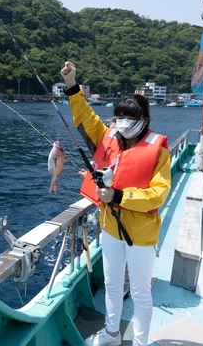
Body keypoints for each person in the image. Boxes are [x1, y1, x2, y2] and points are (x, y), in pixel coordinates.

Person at [60, 61, 171, 346]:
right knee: (111, 286)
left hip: (140, 235)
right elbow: (86, 117)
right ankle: (111, 334)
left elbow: (158, 193)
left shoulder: (158, 150)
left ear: (145, 119)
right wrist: (72, 84)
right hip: (110, 228)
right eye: (119, 117)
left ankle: (140, 342)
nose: (123, 123)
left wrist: (119, 196)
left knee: (140, 291)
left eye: (129, 118)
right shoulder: (109, 137)